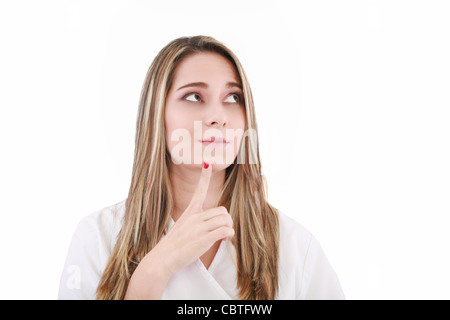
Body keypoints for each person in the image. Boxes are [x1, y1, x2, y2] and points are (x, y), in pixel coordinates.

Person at [58, 35, 345, 300]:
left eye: (233, 97)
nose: (218, 117)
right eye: (194, 96)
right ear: (157, 116)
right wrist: (154, 272)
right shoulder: (96, 239)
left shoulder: (296, 248)